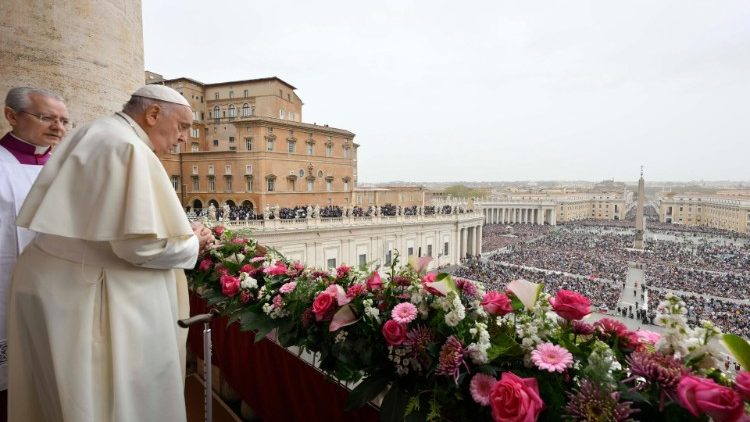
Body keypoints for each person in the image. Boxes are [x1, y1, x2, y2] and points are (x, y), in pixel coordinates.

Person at [7, 85, 213, 421]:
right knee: (100, 401)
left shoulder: (98, 131)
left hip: (59, 284)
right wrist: (193, 242)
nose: (184, 140)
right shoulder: (127, 146)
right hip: (86, 295)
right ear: (153, 114)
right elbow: (139, 246)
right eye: (183, 127)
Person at [0, 87, 69, 397]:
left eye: (65, 121)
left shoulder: (69, 168)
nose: (59, 127)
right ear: (11, 115)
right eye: (47, 118)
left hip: (59, 288)